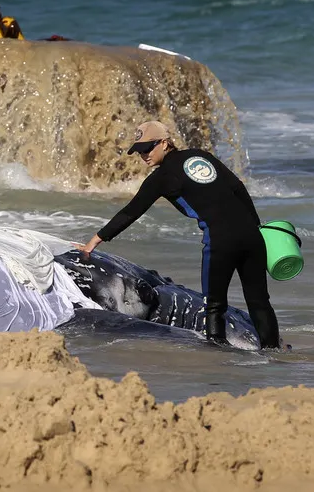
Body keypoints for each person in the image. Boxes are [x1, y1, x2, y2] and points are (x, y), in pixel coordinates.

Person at [76, 120, 280, 349]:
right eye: (139, 151)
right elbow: (238, 187)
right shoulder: (201, 156)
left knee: (213, 305)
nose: (143, 155)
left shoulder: (162, 177)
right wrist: (256, 227)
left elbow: (131, 212)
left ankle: (219, 358)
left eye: (148, 148)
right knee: (259, 301)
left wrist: (94, 241)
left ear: (164, 143)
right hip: (252, 236)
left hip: (220, 240)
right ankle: (273, 354)